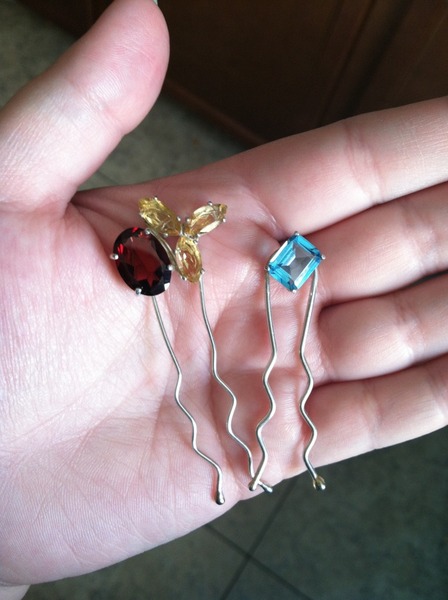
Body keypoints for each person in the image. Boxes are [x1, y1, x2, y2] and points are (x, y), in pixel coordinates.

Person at [0, 1, 446, 598]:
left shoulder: (233, 260)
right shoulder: (157, 256)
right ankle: (242, 461)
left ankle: (249, 461)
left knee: (265, 370)